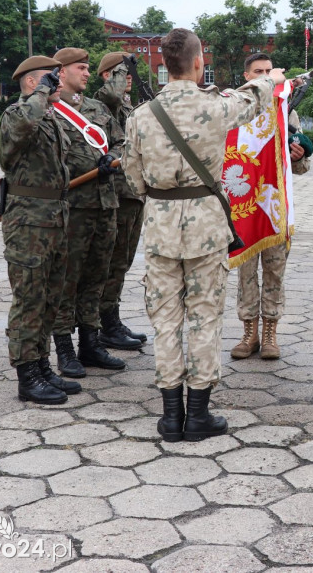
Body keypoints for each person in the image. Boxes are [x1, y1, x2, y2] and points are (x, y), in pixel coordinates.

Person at [123, 28, 284, 442]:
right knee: (205, 318)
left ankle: (169, 416)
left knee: (164, 322)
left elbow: (132, 180)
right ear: (198, 64)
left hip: (160, 230)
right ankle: (198, 415)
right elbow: (254, 97)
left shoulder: (141, 115)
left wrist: (161, 199)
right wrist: (274, 78)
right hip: (207, 231)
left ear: (164, 67)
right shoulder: (217, 107)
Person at [0, 55, 80, 404]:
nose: (59, 84)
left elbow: (22, 171)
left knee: (50, 298)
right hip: (29, 224)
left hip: (54, 218)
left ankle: (42, 364)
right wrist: (42, 95)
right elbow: (17, 140)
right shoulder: (18, 115)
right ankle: (26, 374)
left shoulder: (49, 119)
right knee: (29, 299)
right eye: (52, 78)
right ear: (33, 83)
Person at [50, 47, 127, 377]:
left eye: (86, 68)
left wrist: (112, 158)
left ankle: (91, 344)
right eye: (80, 68)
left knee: (98, 275)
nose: (86, 73)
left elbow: (122, 141)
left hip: (105, 204)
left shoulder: (96, 108)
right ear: (62, 72)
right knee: (67, 279)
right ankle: (65, 349)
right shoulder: (49, 110)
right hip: (71, 208)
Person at [228, 53, 311, 361]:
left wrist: (299, 156)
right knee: (246, 272)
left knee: (275, 271)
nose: (265, 75)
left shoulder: (285, 109)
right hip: (244, 205)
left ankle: (270, 334)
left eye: (269, 71)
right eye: (258, 72)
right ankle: (248, 333)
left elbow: (301, 167)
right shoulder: (233, 107)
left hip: (275, 205)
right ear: (247, 76)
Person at [94, 52, 147, 351]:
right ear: (106, 76)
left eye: (129, 72)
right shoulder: (104, 101)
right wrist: (121, 68)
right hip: (116, 194)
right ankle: (105, 323)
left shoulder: (127, 105)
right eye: (120, 72)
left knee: (123, 261)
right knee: (113, 261)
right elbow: (112, 93)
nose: (128, 76)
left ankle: (111, 317)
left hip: (133, 193)